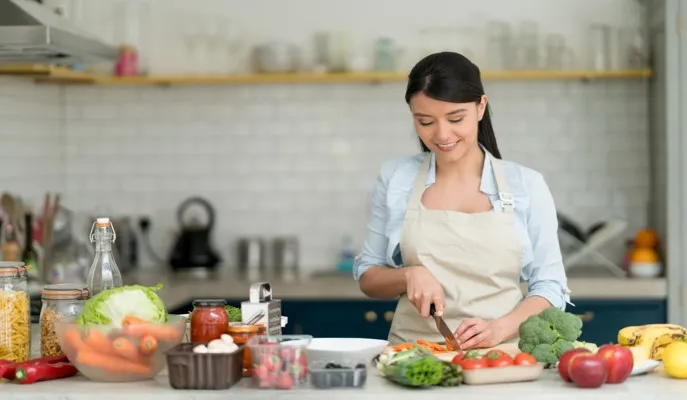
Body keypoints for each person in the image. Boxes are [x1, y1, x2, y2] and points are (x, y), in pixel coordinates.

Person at [353, 52, 570, 348]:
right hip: (414, 358)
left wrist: (500, 329)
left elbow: (550, 287)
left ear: (481, 106)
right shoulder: (396, 178)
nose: (442, 135)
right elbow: (368, 275)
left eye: (456, 118)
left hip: (501, 358)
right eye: (425, 121)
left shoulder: (527, 185)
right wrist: (408, 275)